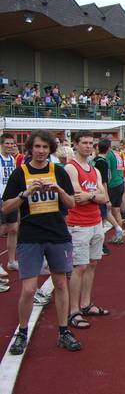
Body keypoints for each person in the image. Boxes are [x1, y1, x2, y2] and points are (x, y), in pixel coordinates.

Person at [2, 130, 82, 354]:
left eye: (45, 148)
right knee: (28, 289)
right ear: (30, 148)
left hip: (57, 234)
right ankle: (22, 331)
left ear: (51, 150)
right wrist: (25, 194)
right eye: (37, 147)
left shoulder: (58, 172)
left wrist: (57, 189)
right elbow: (6, 207)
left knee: (60, 284)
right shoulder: (20, 173)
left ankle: (63, 331)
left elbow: (71, 204)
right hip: (31, 236)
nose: (41, 151)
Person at [64, 131, 110, 330]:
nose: (88, 146)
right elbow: (76, 196)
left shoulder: (94, 170)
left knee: (92, 264)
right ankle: (73, 310)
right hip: (78, 224)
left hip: (95, 221)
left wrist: (90, 196)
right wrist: (95, 196)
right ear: (76, 144)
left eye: (91, 143)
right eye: (84, 143)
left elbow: (104, 197)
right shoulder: (70, 168)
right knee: (79, 267)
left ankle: (86, 303)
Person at [0, 133, 19, 274]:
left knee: (13, 228)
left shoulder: (12, 159)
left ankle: (11, 261)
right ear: (1, 144)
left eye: (12, 143)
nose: (10, 146)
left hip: (9, 198)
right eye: (7, 143)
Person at [105, 142, 125, 243]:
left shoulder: (108, 155)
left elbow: (107, 170)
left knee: (107, 210)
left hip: (113, 184)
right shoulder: (117, 154)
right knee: (116, 210)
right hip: (120, 181)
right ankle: (119, 234)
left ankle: (118, 231)